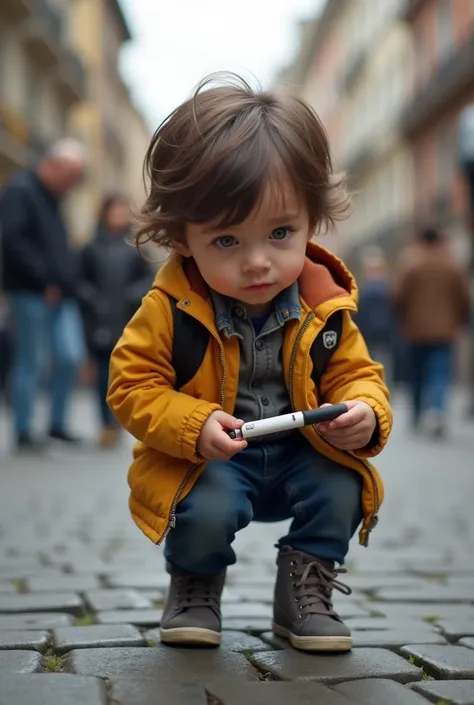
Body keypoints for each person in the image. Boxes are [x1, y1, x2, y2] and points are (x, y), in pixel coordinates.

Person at [107, 74, 392, 653]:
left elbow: (358, 373)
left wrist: (365, 411)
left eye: (280, 233)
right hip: (211, 459)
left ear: (312, 220)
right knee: (206, 508)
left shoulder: (324, 305)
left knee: (343, 487)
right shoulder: (170, 308)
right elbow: (132, 384)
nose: (259, 262)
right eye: (227, 242)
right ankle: (194, 581)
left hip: (301, 453)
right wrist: (192, 425)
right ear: (183, 239)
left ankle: (305, 589)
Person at [0, 139, 87, 451]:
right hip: (31, 293)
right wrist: (42, 281)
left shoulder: (54, 198)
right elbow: (12, 242)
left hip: (62, 294)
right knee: (30, 360)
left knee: (68, 358)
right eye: (72, 174)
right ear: (54, 165)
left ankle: (56, 425)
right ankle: (23, 431)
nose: (74, 183)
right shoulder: (21, 191)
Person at [78, 193, 152, 448]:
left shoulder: (136, 248)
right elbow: (80, 281)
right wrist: (92, 299)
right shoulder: (91, 247)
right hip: (98, 321)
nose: (118, 217)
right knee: (102, 374)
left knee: (123, 370)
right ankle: (105, 424)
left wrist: (132, 296)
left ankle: (118, 422)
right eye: (114, 211)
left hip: (127, 320)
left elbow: (148, 280)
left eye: (122, 212)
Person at [394, 226, 470, 438]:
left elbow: (398, 296)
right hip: (445, 330)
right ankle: (436, 411)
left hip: (414, 330)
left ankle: (417, 414)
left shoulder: (410, 264)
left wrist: (404, 318)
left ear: (420, 240)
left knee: (416, 374)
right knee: (439, 372)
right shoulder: (451, 265)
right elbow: (463, 298)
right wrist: (457, 319)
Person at [353, 247, 394, 386]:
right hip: (385, 335)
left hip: (368, 335)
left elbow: (357, 315)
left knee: (371, 365)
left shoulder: (362, 292)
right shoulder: (389, 290)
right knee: (384, 365)